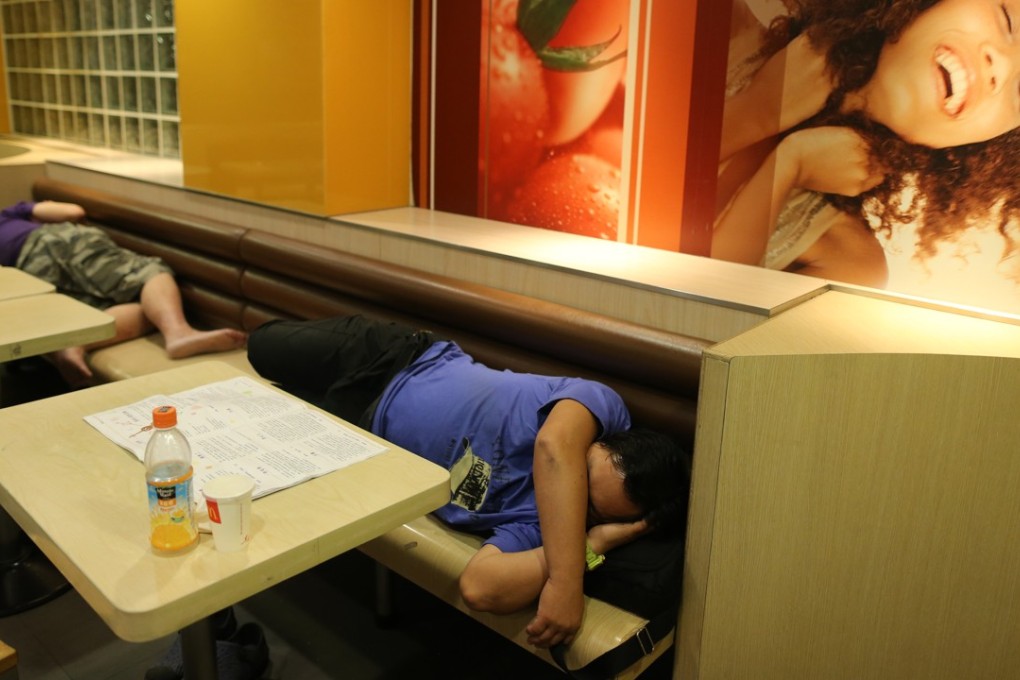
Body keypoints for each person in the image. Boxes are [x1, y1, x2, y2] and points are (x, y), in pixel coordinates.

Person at [246, 315, 690, 649]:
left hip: (362, 440)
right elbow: (554, 448)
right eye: (584, 475)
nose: (570, 499)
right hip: (396, 359)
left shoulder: (550, 534)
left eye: (590, 509)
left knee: (252, 405)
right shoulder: (599, 406)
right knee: (260, 348)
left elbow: (481, 587)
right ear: (605, 441)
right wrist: (564, 583)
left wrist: (590, 549)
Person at [713, 0, 1020, 292]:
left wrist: (788, 164)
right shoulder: (716, 20)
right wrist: (758, 110)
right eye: (1007, 18)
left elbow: (691, 322)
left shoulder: (850, 263)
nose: (1002, 67)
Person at [0, 199, 247, 386]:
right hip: (51, 244)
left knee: (143, 308)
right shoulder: (7, 215)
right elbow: (73, 212)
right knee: (148, 272)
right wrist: (29, 208)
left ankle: (72, 344)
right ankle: (178, 333)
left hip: (26, 280)